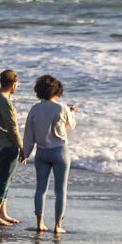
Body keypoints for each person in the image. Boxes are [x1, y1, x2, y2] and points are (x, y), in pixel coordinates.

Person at [22, 74, 76, 234]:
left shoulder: (35, 109)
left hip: (42, 152)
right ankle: (58, 226)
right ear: (57, 91)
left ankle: (40, 223)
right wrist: (71, 112)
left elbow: (29, 134)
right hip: (60, 151)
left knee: (41, 188)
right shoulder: (62, 107)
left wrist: (26, 152)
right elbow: (70, 125)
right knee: (60, 190)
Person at [0, 69, 23, 227]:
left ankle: (2, 213)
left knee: (5, 179)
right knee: (3, 180)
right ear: (13, 85)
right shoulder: (5, 101)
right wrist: (21, 147)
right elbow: (13, 128)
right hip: (6, 145)